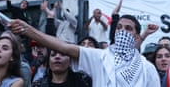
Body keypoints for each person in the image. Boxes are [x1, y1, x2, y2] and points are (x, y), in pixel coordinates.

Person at [9, 14, 161, 87]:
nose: (122, 31)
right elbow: (62, 47)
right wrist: (27, 30)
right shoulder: (100, 57)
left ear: (136, 36)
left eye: (128, 29)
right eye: (119, 28)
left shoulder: (147, 68)